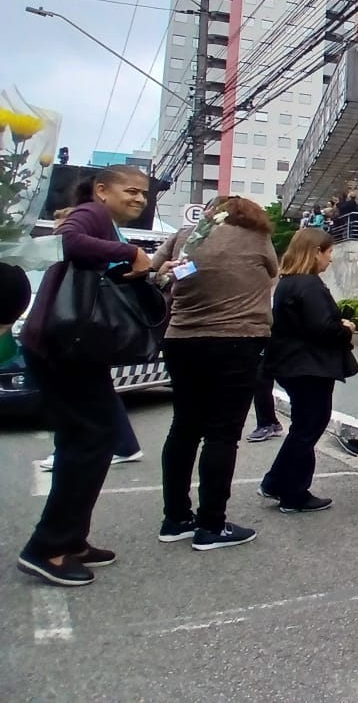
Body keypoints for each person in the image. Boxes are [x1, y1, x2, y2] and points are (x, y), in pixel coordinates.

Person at [17, 165, 155, 586]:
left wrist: (133, 263)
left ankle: (71, 539)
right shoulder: (91, 214)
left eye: (144, 194)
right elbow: (68, 241)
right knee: (88, 443)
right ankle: (47, 548)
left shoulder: (104, 223)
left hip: (74, 350)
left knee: (87, 442)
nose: (139, 199)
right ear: (101, 190)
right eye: (131, 191)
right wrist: (129, 253)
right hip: (65, 348)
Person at [158, 196, 277, 551]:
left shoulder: (185, 235)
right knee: (222, 434)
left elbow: (156, 270)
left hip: (181, 337)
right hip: (237, 340)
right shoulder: (257, 238)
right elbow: (273, 271)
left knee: (183, 428)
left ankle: (176, 518)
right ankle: (212, 524)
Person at [260, 229, 358, 514]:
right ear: (316, 251)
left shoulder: (287, 283)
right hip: (310, 366)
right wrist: (345, 328)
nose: (330, 259)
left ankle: (276, 481)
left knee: (303, 427)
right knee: (310, 428)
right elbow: (323, 329)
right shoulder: (309, 285)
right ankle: (294, 492)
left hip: (290, 364)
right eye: (329, 252)